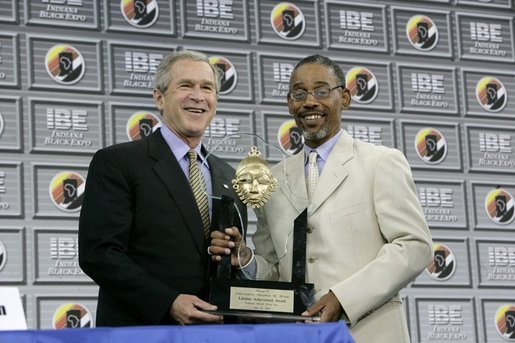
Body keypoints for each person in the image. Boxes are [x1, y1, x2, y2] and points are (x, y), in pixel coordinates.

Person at [209, 54, 432, 342]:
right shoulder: (272, 180)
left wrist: (343, 298)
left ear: (346, 98)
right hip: (295, 335)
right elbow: (275, 272)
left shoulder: (380, 162)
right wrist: (245, 258)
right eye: (299, 93)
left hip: (369, 331)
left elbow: (414, 246)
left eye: (322, 91)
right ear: (290, 104)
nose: (310, 102)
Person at [78, 50, 247, 326]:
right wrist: (168, 301)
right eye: (185, 85)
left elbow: (230, 264)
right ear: (159, 98)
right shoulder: (118, 162)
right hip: (144, 331)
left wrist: (240, 256)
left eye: (207, 88)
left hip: (217, 333)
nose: (198, 96)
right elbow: (100, 254)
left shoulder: (230, 176)